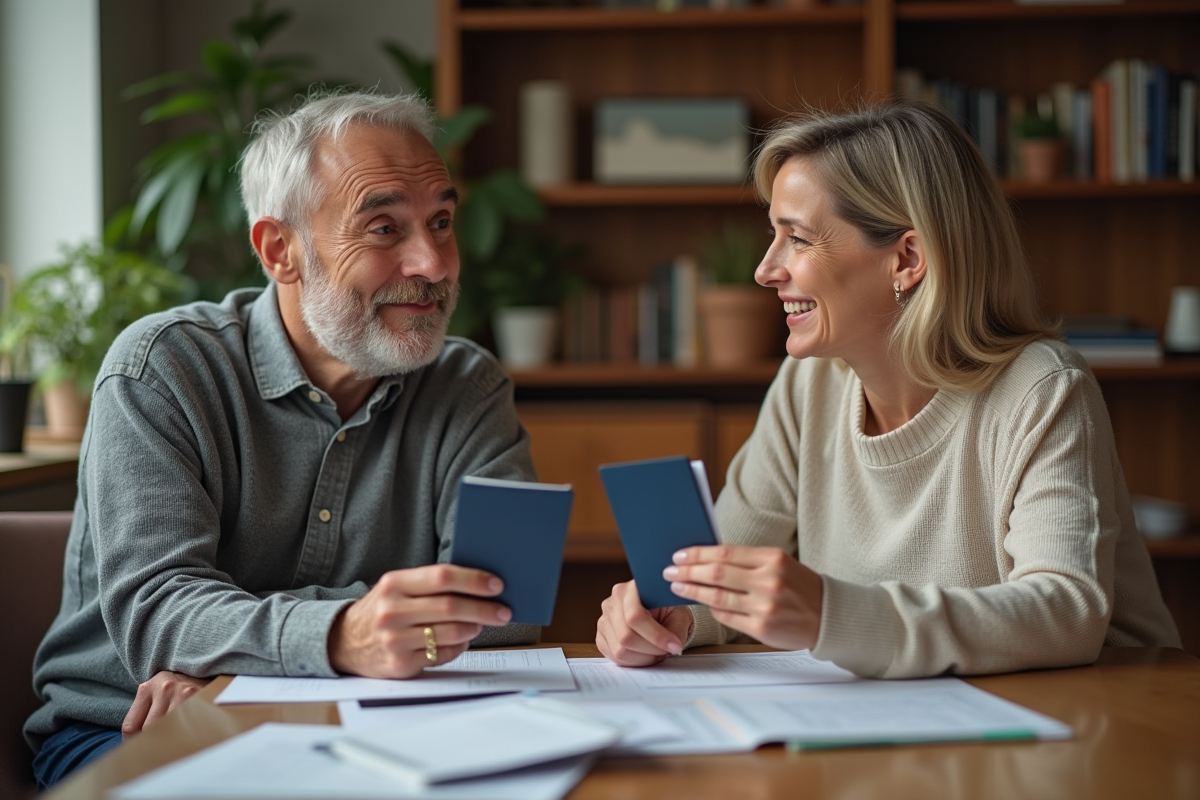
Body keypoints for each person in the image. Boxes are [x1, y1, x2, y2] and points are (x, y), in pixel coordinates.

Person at [26, 91, 539, 788]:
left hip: (377, 714)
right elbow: (158, 611)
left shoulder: (468, 387)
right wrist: (342, 633)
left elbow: (507, 610)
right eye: (384, 229)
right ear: (280, 251)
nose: (435, 263)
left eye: (441, 222)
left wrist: (234, 662)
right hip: (130, 724)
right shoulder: (161, 370)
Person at [596, 100, 1181, 677]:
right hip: (908, 730)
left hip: (1098, 722)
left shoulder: (1043, 389)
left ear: (906, 259)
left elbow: (1064, 612)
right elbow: (723, 576)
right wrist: (675, 615)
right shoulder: (808, 383)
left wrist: (831, 614)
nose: (766, 269)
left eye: (797, 239)